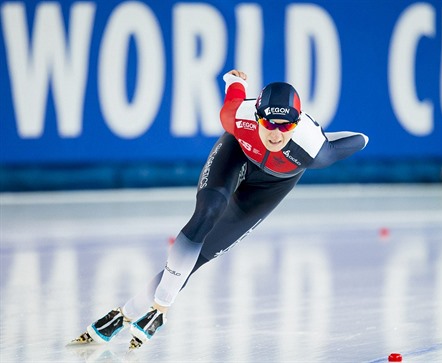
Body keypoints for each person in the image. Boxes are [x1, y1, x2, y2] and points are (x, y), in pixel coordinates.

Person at [70, 70, 369, 349]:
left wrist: (364, 138)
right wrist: (234, 81)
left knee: (201, 254)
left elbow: (351, 141)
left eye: (286, 126)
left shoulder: (313, 148)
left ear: (298, 122)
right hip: (235, 154)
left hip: (269, 188)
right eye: (268, 123)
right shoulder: (237, 118)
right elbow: (235, 92)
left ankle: (124, 314)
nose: (276, 135)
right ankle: (158, 311)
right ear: (257, 117)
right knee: (207, 212)